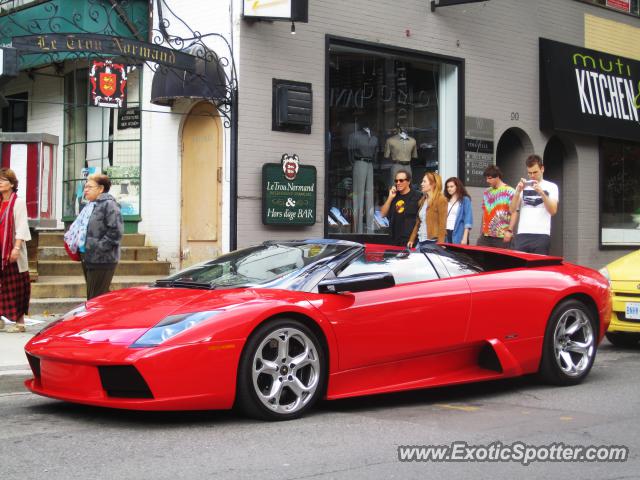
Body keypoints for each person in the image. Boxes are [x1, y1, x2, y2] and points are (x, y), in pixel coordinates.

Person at [64, 173, 123, 300]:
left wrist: (98, 247)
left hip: (102, 259)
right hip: (88, 257)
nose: (85, 190)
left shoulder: (109, 205)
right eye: (85, 187)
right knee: (98, 296)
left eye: (89, 187)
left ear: (101, 188)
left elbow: (116, 232)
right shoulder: (90, 206)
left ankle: (100, 320)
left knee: (95, 298)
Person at [0, 168, 31, 333]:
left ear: (12, 184)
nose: (0, 182)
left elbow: (21, 226)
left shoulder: (17, 202)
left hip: (12, 251)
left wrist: (16, 248)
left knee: (17, 285)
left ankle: (20, 323)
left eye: (3, 180)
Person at [510, 154, 559, 255]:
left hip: (541, 234)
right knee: (520, 267)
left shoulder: (551, 186)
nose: (532, 176)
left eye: (535, 172)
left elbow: (553, 211)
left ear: (542, 169)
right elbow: (512, 209)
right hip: (522, 233)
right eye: (529, 173)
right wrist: (518, 191)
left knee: (539, 268)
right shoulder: (523, 186)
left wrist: (542, 193)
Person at [477, 165, 518, 248]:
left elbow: (514, 212)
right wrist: (481, 231)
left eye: (490, 178)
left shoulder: (510, 191)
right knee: (479, 259)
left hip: (502, 236)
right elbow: (484, 212)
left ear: (498, 177)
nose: (487, 180)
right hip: (485, 236)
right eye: (487, 178)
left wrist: (509, 231)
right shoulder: (487, 192)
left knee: (501, 260)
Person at [380, 169, 422, 246]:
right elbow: (382, 214)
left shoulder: (418, 196)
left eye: (401, 180)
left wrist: (413, 238)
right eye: (396, 181)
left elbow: (421, 220)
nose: (398, 183)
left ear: (408, 181)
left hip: (410, 241)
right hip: (393, 239)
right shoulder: (394, 196)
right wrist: (390, 198)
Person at [408, 172, 447, 247]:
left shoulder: (441, 200)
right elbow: (418, 223)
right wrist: (411, 239)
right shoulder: (423, 200)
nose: (421, 184)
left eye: (424, 181)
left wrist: (440, 244)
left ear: (433, 184)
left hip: (432, 242)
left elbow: (442, 224)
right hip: (421, 240)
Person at [444, 177, 473, 244]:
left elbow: (468, 219)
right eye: (447, 187)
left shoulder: (465, 200)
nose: (449, 189)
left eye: (451, 186)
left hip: (459, 232)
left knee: (458, 253)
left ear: (457, 187)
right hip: (446, 232)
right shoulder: (446, 200)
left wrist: (465, 237)